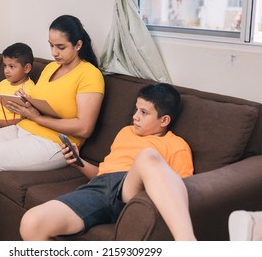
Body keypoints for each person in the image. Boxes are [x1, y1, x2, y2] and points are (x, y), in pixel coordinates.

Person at [0, 14, 105, 241]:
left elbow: (83, 128)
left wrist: (36, 116)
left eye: (61, 47)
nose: (54, 53)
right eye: (51, 45)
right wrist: (26, 103)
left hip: (54, 144)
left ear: (78, 45)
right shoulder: (51, 68)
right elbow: (44, 105)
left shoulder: (90, 75)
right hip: (24, 128)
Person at [20, 83, 197, 241]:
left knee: (148, 156)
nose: (135, 117)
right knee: (31, 222)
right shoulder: (126, 132)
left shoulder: (176, 145)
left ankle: (187, 244)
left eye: (144, 113)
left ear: (164, 120)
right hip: (99, 189)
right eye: (136, 110)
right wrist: (78, 161)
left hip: (134, 190)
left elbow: (180, 189)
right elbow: (103, 174)